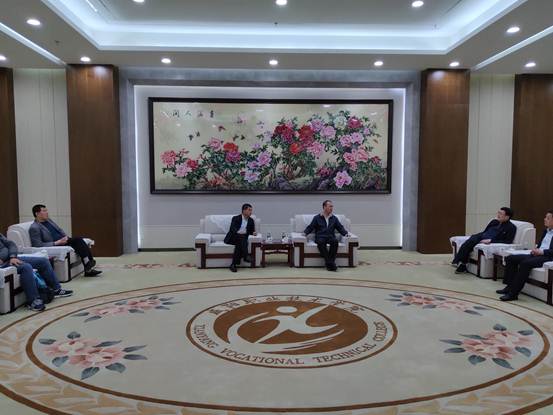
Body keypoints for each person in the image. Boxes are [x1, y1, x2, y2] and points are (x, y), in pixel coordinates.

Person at [0, 233, 73, 311]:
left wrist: (12, 256)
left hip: (11, 258)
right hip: (3, 264)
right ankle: (33, 300)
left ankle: (56, 289)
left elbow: (11, 244)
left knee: (43, 261)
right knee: (26, 267)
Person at [29, 204, 102, 277]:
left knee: (80, 241)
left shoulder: (49, 220)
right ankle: (88, 265)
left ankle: (88, 266)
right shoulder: (34, 227)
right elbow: (37, 245)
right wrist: (57, 242)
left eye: (46, 210)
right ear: (37, 214)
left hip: (63, 240)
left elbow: (59, 230)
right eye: (44, 211)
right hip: (56, 244)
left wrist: (65, 236)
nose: (47, 212)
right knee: (78, 240)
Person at [496, 210, 553, 302]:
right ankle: (509, 287)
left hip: (548, 257)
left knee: (525, 263)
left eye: (548, 218)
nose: (545, 219)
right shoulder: (546, 231)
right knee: (510, 258)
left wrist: (542, 252)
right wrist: (536, 250)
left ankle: (513, 293)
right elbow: (541, 245)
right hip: (537, 254)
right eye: (545, 217)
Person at [453, 207, 516, 274]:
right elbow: (485, 231)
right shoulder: (494, 221)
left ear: (507, 217)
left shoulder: (511, 227)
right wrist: (480, 236)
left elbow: (508, 241)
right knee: (470, 241)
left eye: (501, 214)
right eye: (498, 213)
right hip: (482, 236)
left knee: (469, 243)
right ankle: (459, 262)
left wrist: (491, 241)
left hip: (490, 239)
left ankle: (460, 263)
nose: (498, 215)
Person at [303, 200, 350, 271]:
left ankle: (329, 264)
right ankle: (331, 264)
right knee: (321, 242)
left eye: (332, 206)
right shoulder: (317, 217)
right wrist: (305, 233)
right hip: (320, 237)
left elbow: (340, 227)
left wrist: (346, 234)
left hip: (330, 236)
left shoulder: (334, 218)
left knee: (335, 242)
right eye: (330, 206)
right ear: (324, 207)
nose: (331, 208)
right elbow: (311, 227)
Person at [224, 203, 257, 272]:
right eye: (249, 210)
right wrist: (239, 233)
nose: (251, 212)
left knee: (239, 243)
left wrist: (253, 233)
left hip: (241, 239)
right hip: (232, 238)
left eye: (251, 210)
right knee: (241, 238)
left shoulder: (251, 220)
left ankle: (233, 265)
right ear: (244, 210)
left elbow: (251, 231)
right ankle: (246, 256)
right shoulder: (236, 218)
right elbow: (232, 229)